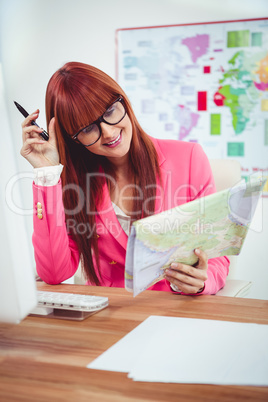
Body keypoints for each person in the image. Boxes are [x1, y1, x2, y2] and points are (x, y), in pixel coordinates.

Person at [20, 61, 229, 295]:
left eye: (110, 112)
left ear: (123, 101)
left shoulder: (189, 158)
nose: (108, 133)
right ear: (73, 139)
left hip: (175, 308)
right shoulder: (73, 182)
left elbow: (217, 253)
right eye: (88, 128)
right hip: (109, 315)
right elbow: (54, 273)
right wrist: (46, 174)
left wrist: (202, 281)